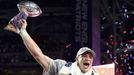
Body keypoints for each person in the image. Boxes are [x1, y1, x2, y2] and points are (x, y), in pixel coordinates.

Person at [4, 19, 99, 75]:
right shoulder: (62, 66)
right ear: (77, 59)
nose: (88, 59)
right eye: (84, 56)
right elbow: (39, 56)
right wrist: (23, 32)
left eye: (90, 57)